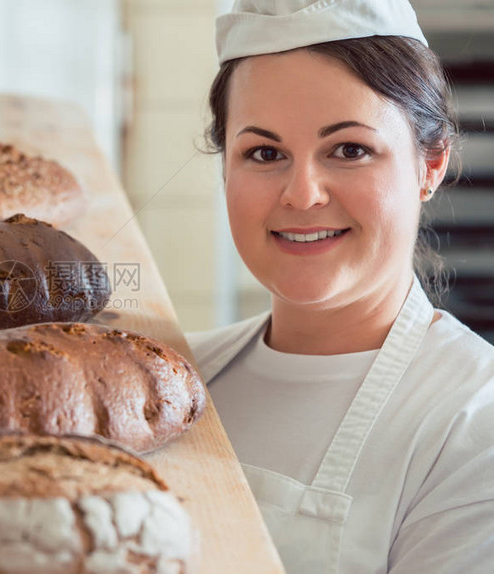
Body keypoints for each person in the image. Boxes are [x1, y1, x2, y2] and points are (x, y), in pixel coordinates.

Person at [185, 1, 494, 572]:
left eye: (350, 150)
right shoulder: (173, 381)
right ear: (225, 167)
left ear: (431, 166)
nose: (302, 195)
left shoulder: (474, 423)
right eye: (265, 153)